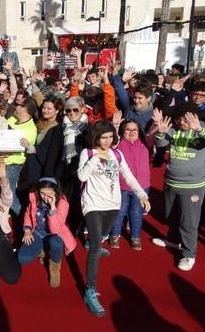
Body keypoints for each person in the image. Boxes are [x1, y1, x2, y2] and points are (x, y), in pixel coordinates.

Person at [77, 120, 150, 317]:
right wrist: (95, 159)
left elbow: (127, 175)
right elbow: (82, 176)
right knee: (94, 247)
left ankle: (96, 242)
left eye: (110, 137)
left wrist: (142, 194)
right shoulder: (88, 153)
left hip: (113, 204)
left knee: (103, 233)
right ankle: (90, 290)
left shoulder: (117, 154)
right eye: (103, 137)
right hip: (92, 204)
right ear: (96, 137)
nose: (108, 141)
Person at [151, 104, 205, 271]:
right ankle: (174, 240)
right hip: (171, 183)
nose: (182, 122)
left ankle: (189, 254)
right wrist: (160, 132)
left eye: (186, 118)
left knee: (189, 222)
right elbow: (160, 145)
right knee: (171, 215)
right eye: (180, 118)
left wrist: (199, 130)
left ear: (195, 117)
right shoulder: (173, 131)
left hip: (193, 186)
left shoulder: (202, 130)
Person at [19, 178, 76, 288]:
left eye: (49, 194)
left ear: (56, 192)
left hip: (55, 235)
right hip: (38, 232)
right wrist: (27, 230)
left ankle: (55, 266)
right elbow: (28, 214)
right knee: (23, 258)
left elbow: (55, 229)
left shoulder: (63, 203)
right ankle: (43, 249)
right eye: (42, 193)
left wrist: (53, 208)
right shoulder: (35, 199)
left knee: (56, 243)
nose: (45, 197)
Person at [109, 120, 151, 250]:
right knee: (119, 212)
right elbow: (112, 142)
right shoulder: (119, 144)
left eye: (134, 130)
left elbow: (152, 136)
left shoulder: (145, 144)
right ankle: (115, 235)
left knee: (136, 212)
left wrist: (155, 125)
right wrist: (115, 125)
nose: (131, 132)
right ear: (122, 132)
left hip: (142, 186)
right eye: (127, 130)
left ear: (139, 132)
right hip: (123, 186)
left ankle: (135, 237)